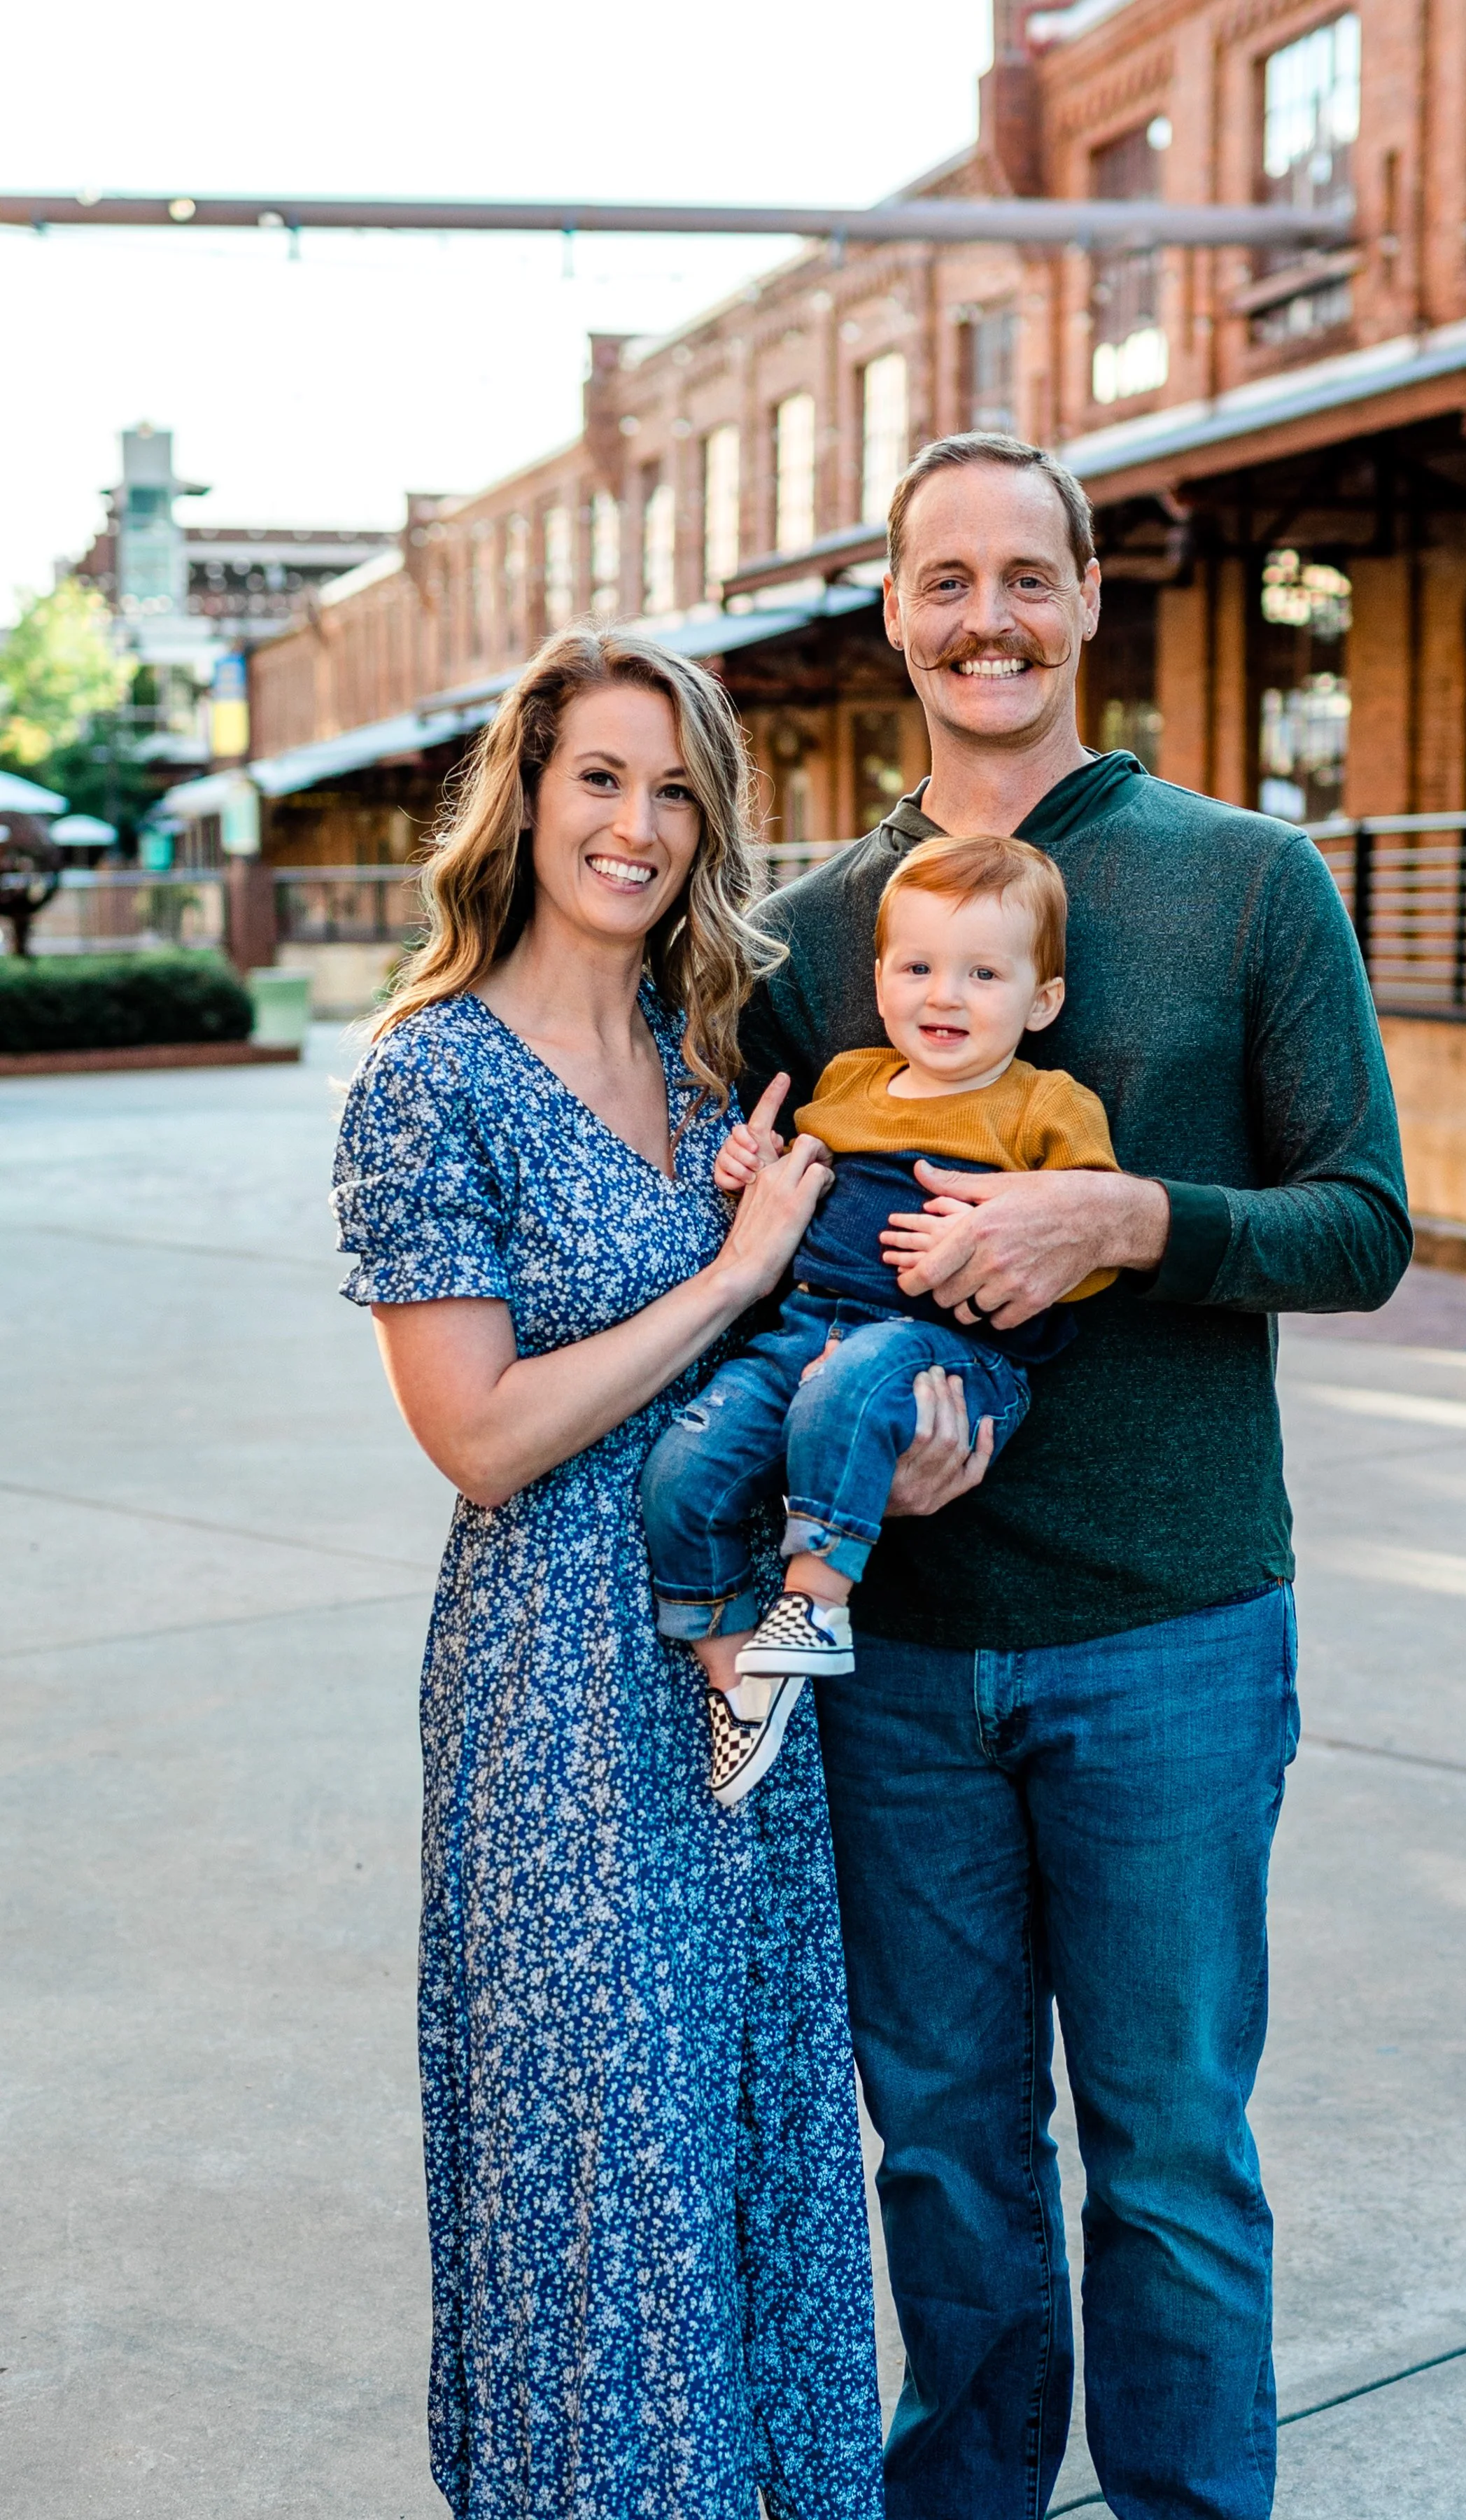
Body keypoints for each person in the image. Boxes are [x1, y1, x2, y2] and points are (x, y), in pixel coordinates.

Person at [738, 435, 1413, 2520]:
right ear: (894, 611)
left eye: (1027, 576)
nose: (987, 619)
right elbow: (750, 1256)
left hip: (1177, 1630)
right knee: (941, 2153)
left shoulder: (1245, 880)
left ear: (1089, 601)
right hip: (906, 1658)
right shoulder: (805, 935)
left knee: (1172, 2154)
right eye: (945, 581)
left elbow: (1364, 1223)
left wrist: (1133, 1224)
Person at [329, 629, 901, 2520]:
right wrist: (731, 1275)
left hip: (739, 1659)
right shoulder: (428, 1079)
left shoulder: (705, 1050)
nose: (637, 825)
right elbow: (479, 1433)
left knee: (756, 2112)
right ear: (526, 791)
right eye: (601, 776)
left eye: (677, 791)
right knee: (609, 2146)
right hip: (559, 1680)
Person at [640, 832, 1118, 1804]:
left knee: (852, 1388)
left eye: (983, 973)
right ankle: (739, 1678)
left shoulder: (1041, 1107)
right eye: (919, 967)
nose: (944, 996)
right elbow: (796, 1190)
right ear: (881, 977)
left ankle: (815, 1606)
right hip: (806, 1331)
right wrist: (749, 1173)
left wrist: (986, 1244)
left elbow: (1086, 1249)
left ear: (1042, 1003)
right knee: (683, 1470)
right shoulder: (852, 1081)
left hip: (945, 1350)